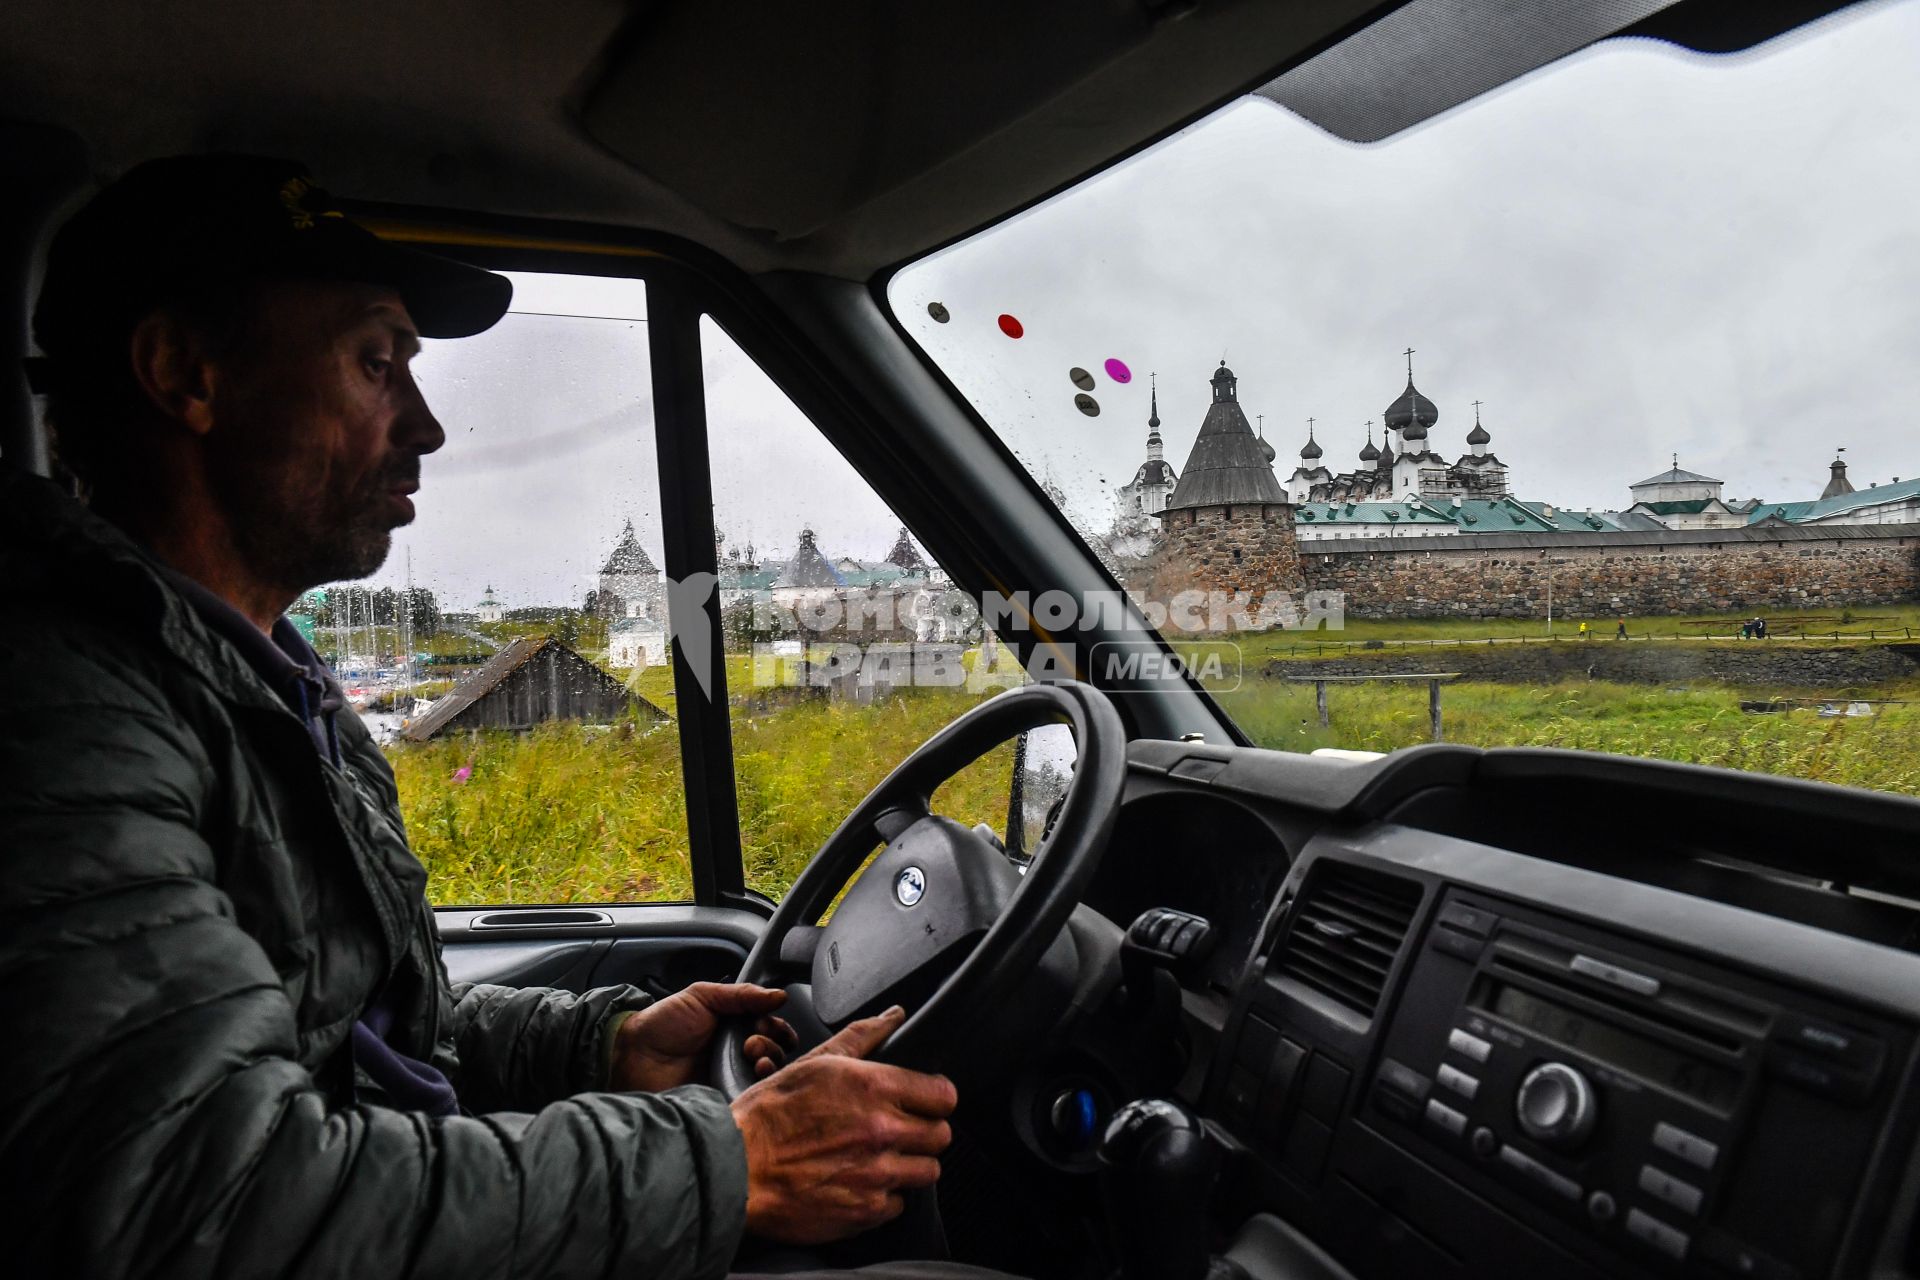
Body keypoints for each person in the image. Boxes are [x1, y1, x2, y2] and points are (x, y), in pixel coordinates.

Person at [2, 157, 1013, 1280]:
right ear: (185, 374)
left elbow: (368, 1041)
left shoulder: (257, 676)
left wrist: (604, 1040)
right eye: (375, 362)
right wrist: (733, 1159)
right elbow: (203, 1200)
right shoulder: (62, 705)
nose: (426, 425)